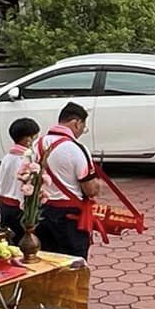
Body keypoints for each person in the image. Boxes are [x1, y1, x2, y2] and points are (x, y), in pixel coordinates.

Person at [33, 103, 102, 255]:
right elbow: (90, 189)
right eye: (84, 127)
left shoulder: (36, 144)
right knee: (73, 266)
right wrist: (98, 185)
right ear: (76, 123)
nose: (82, 131)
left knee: (46, 261)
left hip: (39, 213)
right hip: (69, 218)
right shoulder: (76, 149)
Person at [0, 116, 40, 241]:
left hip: (4, 205)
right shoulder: (26, 160)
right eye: (34, 137)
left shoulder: (6, 158)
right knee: (21, 241)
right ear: (28, 139)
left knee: (7, 239)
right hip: (19, 208)